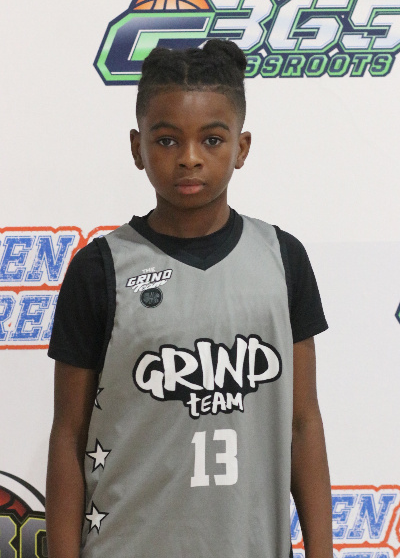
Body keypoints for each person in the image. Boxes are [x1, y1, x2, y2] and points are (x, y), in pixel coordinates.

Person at [46, 39, 333, 558]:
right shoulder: (99, 269)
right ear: (137, 147)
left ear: (242, 147)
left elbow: (302, 423)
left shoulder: (282, 259)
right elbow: (69, 435)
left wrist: (322, 551)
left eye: (212, 139)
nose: (190, 158)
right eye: (167, 140)